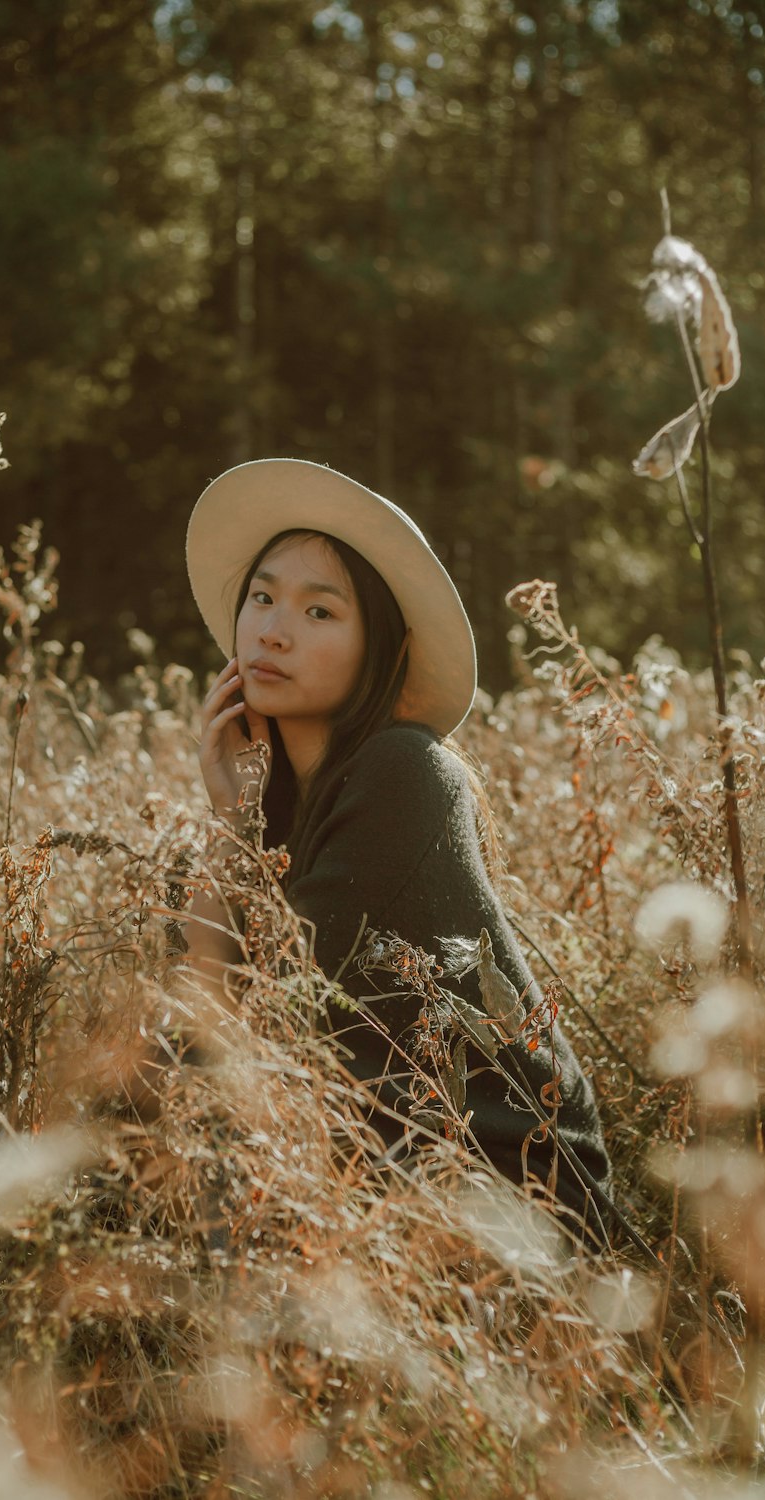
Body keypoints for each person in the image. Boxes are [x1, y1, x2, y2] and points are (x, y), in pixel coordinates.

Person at [183, 458, 612, 1247]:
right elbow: (194, 1016)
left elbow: (282, 1017)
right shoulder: (272, 800)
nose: (272, 629)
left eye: (320, 613)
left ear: (377, 646)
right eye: (263, 596)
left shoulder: (404, 773)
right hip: (372, 1167)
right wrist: (230, 819)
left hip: (507, 1197)